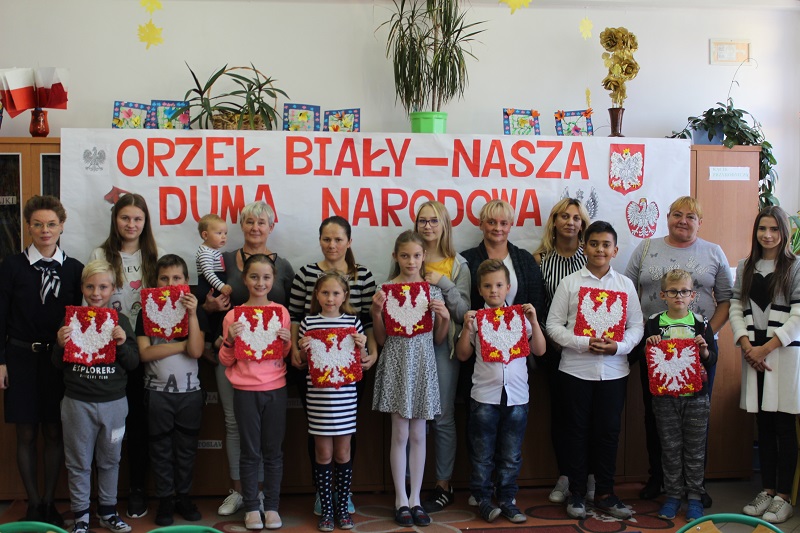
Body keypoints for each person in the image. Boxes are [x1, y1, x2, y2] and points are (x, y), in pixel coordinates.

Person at [625, 196, 732, 506]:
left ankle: (695, 485)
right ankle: (659, 478)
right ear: (667, 217)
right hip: (655, 349)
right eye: (677, 214)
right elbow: (627, 291)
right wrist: (641, 333)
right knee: (657, 415)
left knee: (696, 419)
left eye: (691, 216)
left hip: (698, 351)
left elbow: (727, 299)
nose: (683, 221)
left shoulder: (713, 252)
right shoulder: (646, 248)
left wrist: (705, 334)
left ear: (700, 222)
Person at [201, 201, 295, 516]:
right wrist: (211, 314)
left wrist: (288, 342)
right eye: (249, 221)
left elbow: (291, 314)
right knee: (233, 425)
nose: (255, 227)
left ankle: (265, 498)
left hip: (270, 371)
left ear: (271, 226)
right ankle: (240, 493)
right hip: (233, 358)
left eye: (261, 222)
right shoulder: (223, 259)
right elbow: (206, 300)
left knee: (267, 440)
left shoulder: (284, 267)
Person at [546, 221, 643, 520]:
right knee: (575, 432)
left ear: (615, 250)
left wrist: (619, 347)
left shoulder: (625, 285)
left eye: (606, 245)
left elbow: (637, 327)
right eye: (594, 243)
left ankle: (604, 493)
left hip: (614, 372)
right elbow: (552, 326)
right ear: (584, 247)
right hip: (575, 370)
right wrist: (582, 342)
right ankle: (577, 492)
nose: (600, 249)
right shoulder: (570, 283)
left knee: (608, 434)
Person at [0, 195, 83, 525]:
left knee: (54, 431)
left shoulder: (74, 269)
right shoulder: (12, 266)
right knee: (26, 433)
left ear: (62, 226)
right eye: (37, 224)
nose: (45, 230)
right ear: (28, 226)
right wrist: (0, 361)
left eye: (51, 224)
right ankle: (33, 502)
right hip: (20, 358)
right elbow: (0, 316)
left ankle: (50, 501)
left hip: (57, 360)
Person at [288, 216, 377, 516]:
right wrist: (295, 350)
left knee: (345, 431)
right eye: (326, 238)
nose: (332, 244)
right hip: (314, 371)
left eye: (338, 239)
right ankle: (322, 493)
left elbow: (368, 321)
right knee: (319, 431)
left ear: (349, 242)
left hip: (349, 373)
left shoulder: (363, 275)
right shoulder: (305, 274)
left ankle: (344, 493)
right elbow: (295, 316)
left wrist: (372, 352)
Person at [91, 193, 164, 519]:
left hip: (143, 349)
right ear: (115, 220)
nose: (131, 224)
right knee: (105, 425)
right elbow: (91, 300)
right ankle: (103, 496)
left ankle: (137, 489)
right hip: (107, 350)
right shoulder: (100, 254)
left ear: (145, 222)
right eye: (125, 218)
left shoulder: (154, 255)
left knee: (138, 424)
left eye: (137, 219)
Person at [52, 260, 140, 533]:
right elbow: (56, 364)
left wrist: (122, 343)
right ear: (82, 288)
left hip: (114, 404)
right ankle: (81, 516)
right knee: (78, 462)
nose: (96, 293)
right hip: (77, 403)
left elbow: (133, 363)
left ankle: (108, 512)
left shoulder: (121, 321)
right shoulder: (70, 321)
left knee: (110, 460)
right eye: (90, 287)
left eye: (103, 287)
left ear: (113, 288)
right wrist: (60, 344)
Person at [456, 259, 546, 524]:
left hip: (517, 396)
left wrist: (534, 322)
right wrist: (466, 328)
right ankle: (482, 498)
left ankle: (507, 498)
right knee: (482, 453)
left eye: (498, 285)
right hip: (484, 396)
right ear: (480, 290)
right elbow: (462, 355)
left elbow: (540, 350)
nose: (493, 290)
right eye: (487, 286)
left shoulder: (520, 318)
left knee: (511, 454)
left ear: (508, 287)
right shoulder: (476, 320)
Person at [371, 231, 450, 528]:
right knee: (400, 434)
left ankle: (416, 498)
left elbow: (439, 339)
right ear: (395, 256)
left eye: (416, 256)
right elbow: (381, 339)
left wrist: (444, 317)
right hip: (396, 365)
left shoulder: (432, 291)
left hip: (423, 366)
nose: (411, 261)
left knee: (419, 434)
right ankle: (400, 499)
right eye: (405, 256)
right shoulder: (385, 289)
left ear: (424, 256)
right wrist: (376, 312)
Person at [730, 206, 800, 525]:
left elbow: (798, 316)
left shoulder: (795, 267)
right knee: (765, 426)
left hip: (782, 356)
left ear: (784, 232)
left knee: (784, 426)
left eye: (774, 229)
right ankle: (767, 491)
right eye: (762, 228)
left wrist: (766, 348)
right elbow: (735, 307)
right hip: (754, 355)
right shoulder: (746, 266)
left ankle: (783, 497)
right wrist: (747, 346)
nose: (767, 235)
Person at [636, 269, 717, 523]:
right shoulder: (654, 322)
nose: (679, 296)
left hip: (696, 397)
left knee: (695, 450)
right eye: (673, 292)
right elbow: (644, 358)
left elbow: (712, 359)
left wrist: (704, 351)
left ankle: (694, 496)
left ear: (693, 295)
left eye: (684, 291)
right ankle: (672, 494)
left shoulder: (701, 323)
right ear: (663, 295)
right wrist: (649, 346)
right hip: (665, 397)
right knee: (669, 448)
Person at [218, 254, 291, 530]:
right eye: (254, 277)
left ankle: (271, 506)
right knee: (249, 452)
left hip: (275, 389)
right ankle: (251, 507)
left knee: (273, 452)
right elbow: (226, 360)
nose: (260, 282)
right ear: (244, 280)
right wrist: (229, 340)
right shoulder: (233, 316)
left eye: (266, 277)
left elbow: (282, 353)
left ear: (273, 280)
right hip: (245, 390)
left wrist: (286, 342)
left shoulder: (281, 312)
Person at [136, 255, 206, 526]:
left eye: (176, 278)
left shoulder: (194, 312)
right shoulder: (146, 311)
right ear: (155, 282)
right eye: (164, 279)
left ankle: (183, 497)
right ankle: (165, 499)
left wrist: (192, 314)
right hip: (157, 393)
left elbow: (197, 351)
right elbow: (144, 353)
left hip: (189, 393)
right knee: (160, 449)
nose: (170, 284)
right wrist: (181, 345)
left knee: (186, 449)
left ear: (186, 281)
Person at [297, 272, 369, 531]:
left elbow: (361, 360)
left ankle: (342, 507)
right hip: (318, 400)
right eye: (325, 293)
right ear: (317, 295)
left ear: (345, 296)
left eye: (336, 293)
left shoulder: (353, 322)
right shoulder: (308, 322)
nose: (330, 298)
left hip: (345, 399)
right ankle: (326, 509)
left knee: (343, 453)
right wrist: (302, 349)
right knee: (323, 454)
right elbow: (301, 361)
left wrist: (362, 345)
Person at [412, 201, 470, 513]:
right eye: (423, 221)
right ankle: (410, 487)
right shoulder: (409, 255)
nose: (428, 226)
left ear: (445, 224)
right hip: (410, 347)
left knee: (442, 416)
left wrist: (443, 283)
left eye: (434, 221)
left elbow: (464, 313)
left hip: (443, 348)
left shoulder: (458, 264)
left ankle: (443, 484)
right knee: (411, 416)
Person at [533, 198, 591, 504]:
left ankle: (589, 476)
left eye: (576, 218)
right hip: (554, 349)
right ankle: (566, 475)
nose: (570, 222)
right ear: (554, 221)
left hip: (588, 351)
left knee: (588, 416)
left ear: (583, 224)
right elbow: (537, 305)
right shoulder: (540, 259)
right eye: (564, 216)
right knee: (562, 415)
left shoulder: (592, 257)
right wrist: (552, 340)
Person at [196, 213, 232, 297]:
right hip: (209, 288)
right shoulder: (205, 252)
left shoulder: (213, 250)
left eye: (225, 233)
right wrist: (221, 287)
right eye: (219, 233)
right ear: (205, 235)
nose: (224, 237)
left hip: (215, 286)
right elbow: (208, 273)